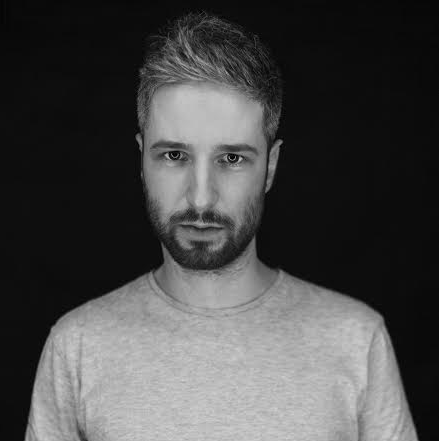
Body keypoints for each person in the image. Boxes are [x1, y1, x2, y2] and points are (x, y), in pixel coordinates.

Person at [25, 11, 418, 441]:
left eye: (232, 158)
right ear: (141, 160)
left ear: (270, 167)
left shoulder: (356, 340)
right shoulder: (78, 346)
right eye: (174, 156)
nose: (200, 198)